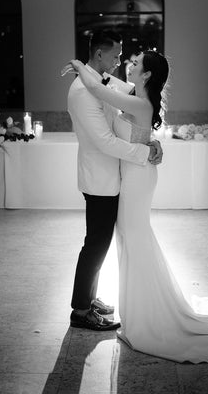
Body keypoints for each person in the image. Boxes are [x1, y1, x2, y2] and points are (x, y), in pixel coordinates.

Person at [67, 50, 208, 363]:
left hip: (138, 179)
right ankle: (140, 308)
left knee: (135, 238)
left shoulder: (139, 103)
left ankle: (148, 315)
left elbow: (99, 89)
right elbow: (107, 84)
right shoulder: (133, 95)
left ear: (147, 75)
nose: (129, 63)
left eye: (136, 63)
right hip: (132, 176)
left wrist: (78, 66)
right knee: (130, 238)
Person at [66, 30, 163, 332]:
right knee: (95, 243)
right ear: (98, 55)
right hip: (100, 176)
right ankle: (80, 310)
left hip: (118, 174)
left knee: (101, 241)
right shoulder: (83, 92)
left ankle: (88, 297)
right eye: (116, 55)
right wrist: (144, 152)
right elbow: (105, 141)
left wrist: (151, 140)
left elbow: (138, 101)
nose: (121, 60)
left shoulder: (103, 82)